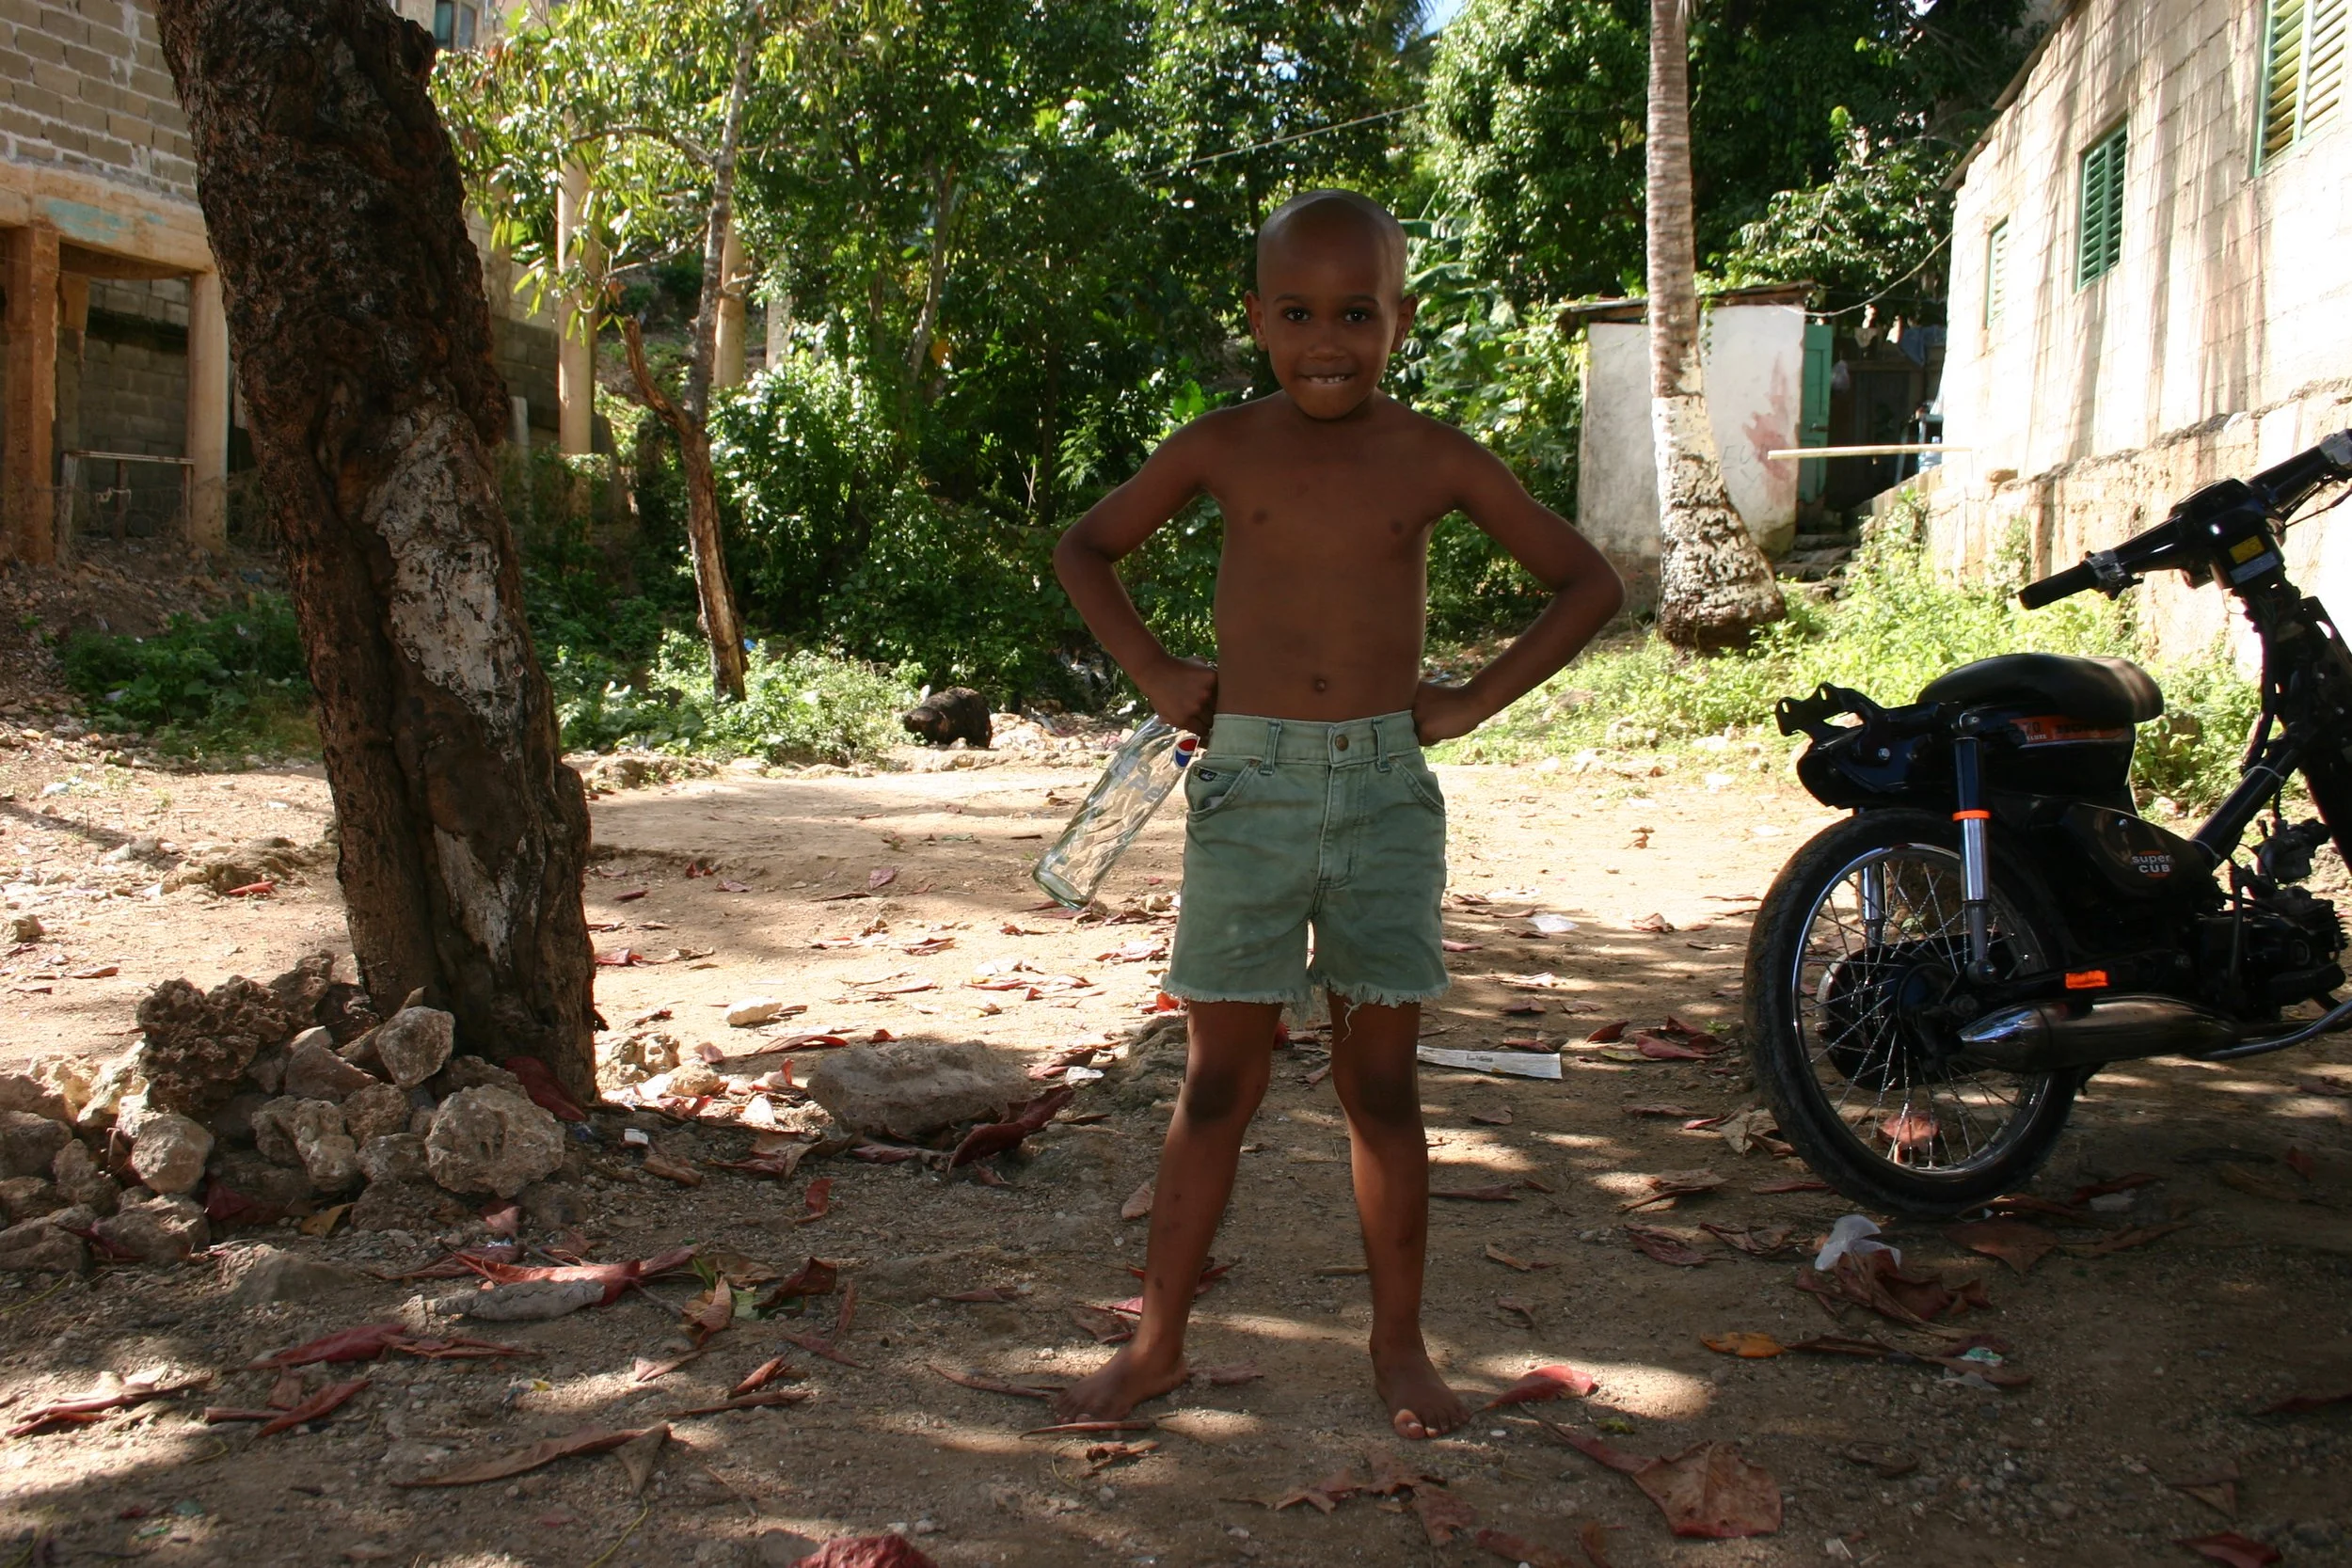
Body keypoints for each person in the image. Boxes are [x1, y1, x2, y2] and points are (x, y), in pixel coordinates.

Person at [1050, 188, 1624, 1439]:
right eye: (1298, 313)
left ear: (1399, 318)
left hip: (1381, 800)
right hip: (1249, 789)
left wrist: (1472, 698)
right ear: (1257, 318)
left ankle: (1400, 1346)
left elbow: (1589, 580)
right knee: (1217, 1085)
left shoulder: (1432, 457)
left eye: (1355, 313)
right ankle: (1154, 1344)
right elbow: (1085, 548)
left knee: (1383, 1090)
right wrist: (1153, 669)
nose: (1327, 340)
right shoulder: (1220, 445)